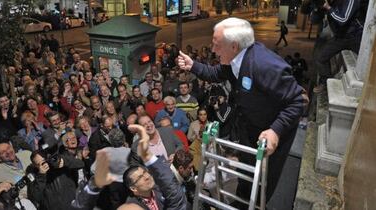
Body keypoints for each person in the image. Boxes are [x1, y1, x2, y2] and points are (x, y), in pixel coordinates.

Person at [177, 17, 304, 208]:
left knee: (262, 181)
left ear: (234, 46)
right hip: (250, 127)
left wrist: (275, 130)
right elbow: (215, 73)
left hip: (270, 135)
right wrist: (192, 65)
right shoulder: (234, 59)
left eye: (216, 44)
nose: (212, 50)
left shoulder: (264, 65)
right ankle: (242, 202)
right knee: (246, 177)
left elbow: (297, 101)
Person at [71, 124, 187, 210]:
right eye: (140, 177)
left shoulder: (106, 152)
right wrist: (148, 157)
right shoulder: (131, 207)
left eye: (145, 173)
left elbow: (93, 169)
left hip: (115, 188)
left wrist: (98, 182)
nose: (146, 177)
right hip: (126, 187)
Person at [313, 0, 367, 92]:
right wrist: (318, 8)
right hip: (340, 38)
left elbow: (343, 19)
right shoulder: (331, 2)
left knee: (367, 62)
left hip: (356, 37)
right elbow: (314, 20)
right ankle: (325, 82)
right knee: (320, 58)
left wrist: (328, 8)